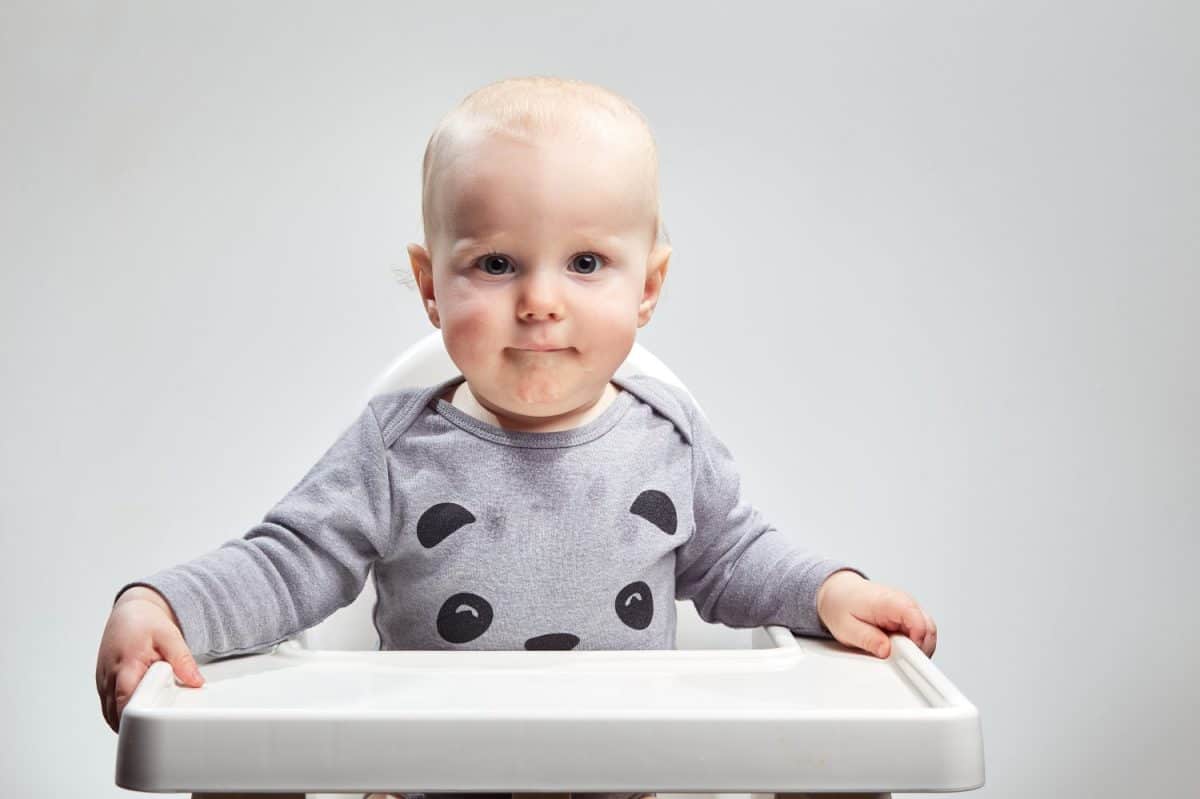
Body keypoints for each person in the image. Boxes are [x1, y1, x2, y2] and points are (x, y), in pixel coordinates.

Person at [96, 76, 937, 799]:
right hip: (428, 780)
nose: (539, 300)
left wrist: (830, 589)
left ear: (649, 286)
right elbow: (287, 561)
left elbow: (737, 559)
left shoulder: (669, 442)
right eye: (497, 264)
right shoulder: (396, 452)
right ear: (431, 285)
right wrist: (165, 603)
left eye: (585, 263)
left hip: (619, 780)